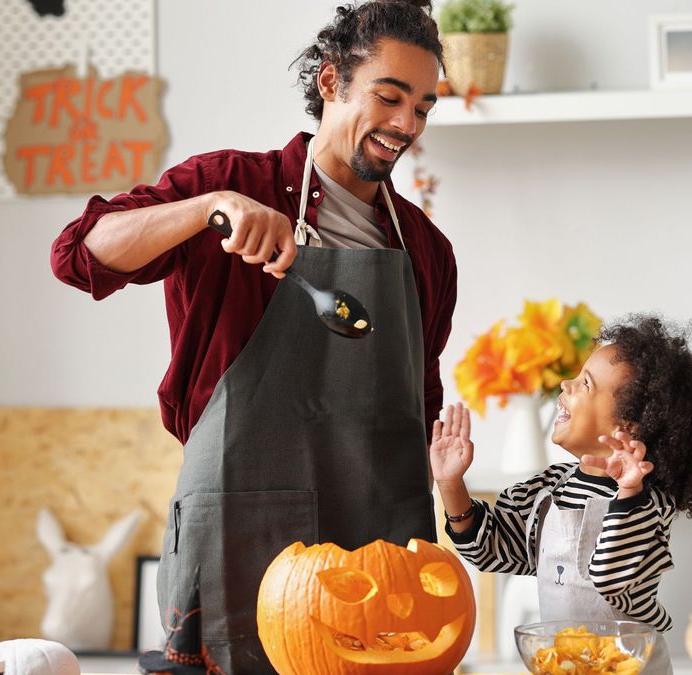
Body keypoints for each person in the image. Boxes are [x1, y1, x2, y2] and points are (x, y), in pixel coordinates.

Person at [50, 1, 455, 671]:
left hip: (378, 558)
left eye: (423, 107)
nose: (406, 124)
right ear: (330, 82)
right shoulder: (228, 185)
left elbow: (420, 406)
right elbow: (79, 254)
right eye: (390, 97)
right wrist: (207, 212)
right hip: (237, 546)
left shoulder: (425, 249)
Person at [431, 315, 692, 675]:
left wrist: (628, 491)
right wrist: (452, 485)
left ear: (625, 426)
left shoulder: (646, 505)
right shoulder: (548, 489)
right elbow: (492, 549)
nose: (565, 384)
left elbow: (611, 577)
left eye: (584, 385)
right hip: (569, 666)